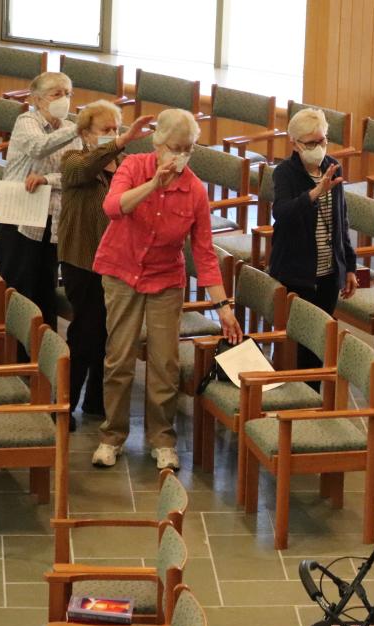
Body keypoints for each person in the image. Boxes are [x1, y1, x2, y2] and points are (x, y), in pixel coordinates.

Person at [91, 108, 242, 471]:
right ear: (159, 143)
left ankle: (162, 439)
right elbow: (113, 207)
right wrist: (153, 186)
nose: (181, 155)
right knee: (120, 357)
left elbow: (205, 253)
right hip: (121, 271)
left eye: (188, 148)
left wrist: (222, 306)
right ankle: (112, 437)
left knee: (165, 362)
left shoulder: (194, 191)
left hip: (165, 279)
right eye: (176, 147)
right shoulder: (134, 167)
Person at [57, 100, 153, 427]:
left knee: (110, 334)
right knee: (86, 332)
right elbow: (82, 170)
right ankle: (64, 406)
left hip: (118, 263)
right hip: (82, 261)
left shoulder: (127, 165)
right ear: (85, 134)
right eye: (106, 130)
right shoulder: (73, 159)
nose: (113, 135)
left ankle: (98, 402)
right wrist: (121, 142)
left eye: (117, 129)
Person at [269, 107, 357, 372]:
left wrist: (349, 266)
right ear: (295, 144)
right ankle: (289, 397)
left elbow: (342, 220)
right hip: (296, 271)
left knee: (319, 342)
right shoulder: (284, 173)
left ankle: (313, 398)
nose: (318, 147)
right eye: (311, 143)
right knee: (294, 342)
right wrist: (314, 193)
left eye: (322, 140)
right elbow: (281, 213)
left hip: (328, 273)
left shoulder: (333, 167)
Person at [0, 72, 81, 338]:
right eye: (56, 94)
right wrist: (77, 130)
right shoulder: (27, 121)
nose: (64, 99)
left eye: (67, 93)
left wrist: (47, 178)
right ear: (36, 99)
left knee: (45, 286)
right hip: (19, 213)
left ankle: (43, 357)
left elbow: (76, 172)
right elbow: (38, 147)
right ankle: (14, 353)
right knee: (20, 284)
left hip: (53, 216)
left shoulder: (71, 128)